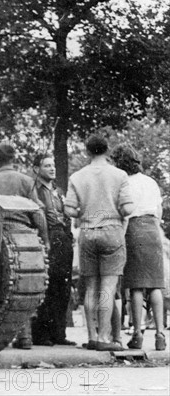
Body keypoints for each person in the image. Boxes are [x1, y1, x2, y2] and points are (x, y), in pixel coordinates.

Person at [65, 134, 134, 351]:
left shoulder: (77, 177)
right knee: (108, 287)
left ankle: (92, 335)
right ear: (107, 150)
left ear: (87, 151)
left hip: (87, 231)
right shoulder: (119, 175)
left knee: (91, 287)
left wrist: (84, 211)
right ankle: (105, 337)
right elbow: (128, 208)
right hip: (112, 231)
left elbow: (69, 209)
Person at [0, 142, 49, 349]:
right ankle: (25, 337)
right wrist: (45, 239)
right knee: (26, 285)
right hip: (24, 234)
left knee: (7, 287)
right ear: (14, 158)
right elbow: (37, 213)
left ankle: (14, 335)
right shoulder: (26, 181)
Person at [111, 143, 166, 351]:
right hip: (152, 229)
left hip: (133, 229)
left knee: (136, 284)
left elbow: (122, 210)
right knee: (155, 284)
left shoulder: (123, 183)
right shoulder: (150, 182)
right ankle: (160, 334)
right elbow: (158, 210)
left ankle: (137, 333)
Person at [30, 153, 76, 346]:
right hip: (47, 237)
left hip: (63, 238)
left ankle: (59, 333)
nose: (52, 169)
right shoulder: (34, 190)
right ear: (36, 169)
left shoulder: (58, 191)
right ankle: (41, 334)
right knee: (47, 286)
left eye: (53, 165)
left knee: (63, 287)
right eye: (47, 165)